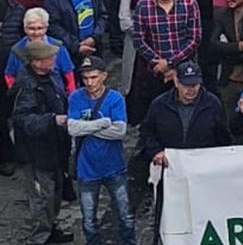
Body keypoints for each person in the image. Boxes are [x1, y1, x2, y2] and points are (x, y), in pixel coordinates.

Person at [67, 56, 135, 245]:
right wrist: (103, 123)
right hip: (86, 169)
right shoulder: (75, 97)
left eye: (94, 77)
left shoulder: (115, 98)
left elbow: (120, 131)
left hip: (114, 167)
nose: (90, 82)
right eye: (86, 78)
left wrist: (86, 127)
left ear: (104, 76)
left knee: (125, 215)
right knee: (89, 219)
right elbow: (72, 128)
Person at [11, 41, 74, 245]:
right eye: (50, 57)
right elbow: (22, 120)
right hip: (36, 152)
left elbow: (61, 97)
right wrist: (52, 120)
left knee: (55, 193)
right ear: (37, 62)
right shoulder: (27, 85)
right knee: (42, 197)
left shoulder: (51, 76)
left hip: (55, 146)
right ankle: (40, 237)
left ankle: (50, 228)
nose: (55, 60)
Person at [132, 0, 202, 122]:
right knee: (157, 115)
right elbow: (139, 40)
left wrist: (171, 63)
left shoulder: (189, 3)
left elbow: (195, 38)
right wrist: (160, 64)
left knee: (186, 114)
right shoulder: (143, 5)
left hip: (185, 70)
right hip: (155, 70)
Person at [139, 61, 231, 168]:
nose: (191, 89)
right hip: (169, 166)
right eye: (186, 85)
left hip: (203, 166)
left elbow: (223, 137)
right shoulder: (159, 104)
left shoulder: (213, 104)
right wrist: (156, 151)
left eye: (195, 84)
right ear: (176, 81)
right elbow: (147, 132)